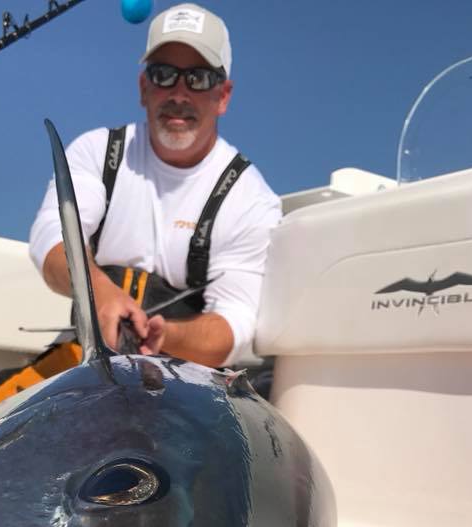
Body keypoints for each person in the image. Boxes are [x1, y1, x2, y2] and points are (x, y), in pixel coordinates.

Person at [29, 3, 282, 369]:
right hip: (86, 363)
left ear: (223, 96)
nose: (179, 93)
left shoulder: (251, 200)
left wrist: (164, 336)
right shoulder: (97, 152)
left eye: (198, 78)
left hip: (183, 378)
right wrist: (100, 293)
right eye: (164, 74)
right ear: (143, 87)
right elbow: (50, 240)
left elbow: (236, 323)